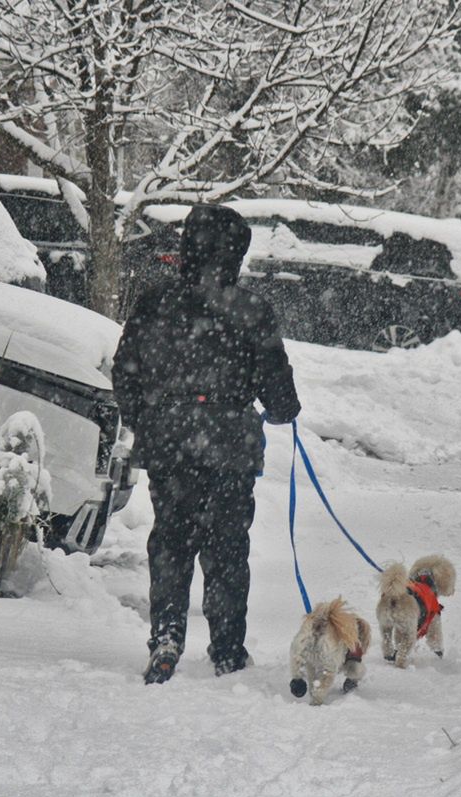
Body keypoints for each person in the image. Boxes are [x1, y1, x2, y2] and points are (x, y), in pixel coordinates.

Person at [112, 204, 301, 685]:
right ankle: (227, 649)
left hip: (171, 441)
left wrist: (149, 418)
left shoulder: (155, 302)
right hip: (229, 446)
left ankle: (168, 634)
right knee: (227, 549)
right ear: (236, 252)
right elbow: (277, 391)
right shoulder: (251, 310)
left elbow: (125, 371)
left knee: (171, 541)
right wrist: (283, 409)